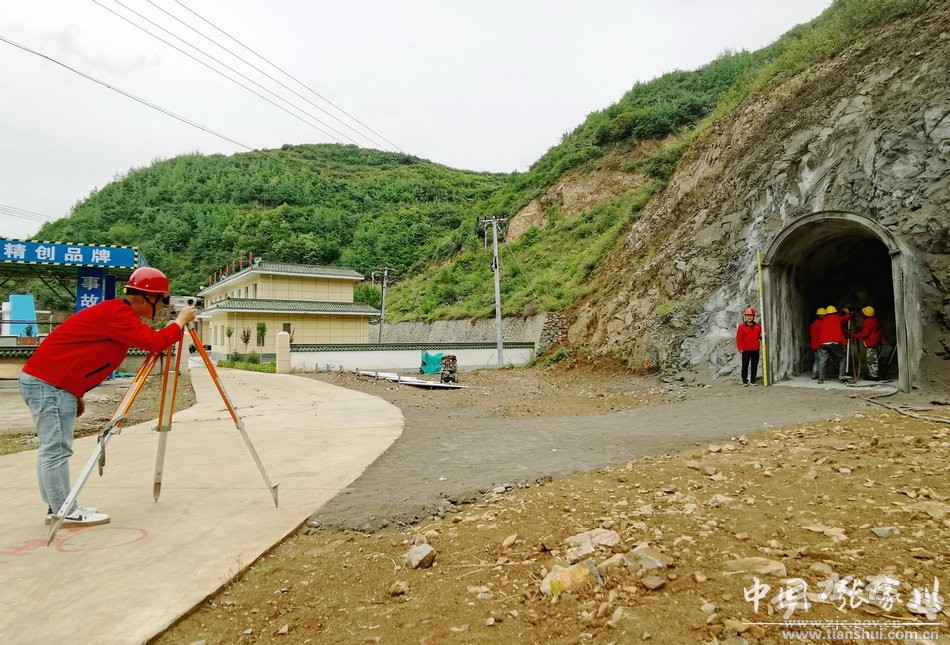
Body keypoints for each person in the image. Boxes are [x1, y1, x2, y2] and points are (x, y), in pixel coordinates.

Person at [19, 267, 197, 527]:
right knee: (56, 450)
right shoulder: (117, 314)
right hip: (50, 384)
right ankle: (63, 510)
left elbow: (78, 356)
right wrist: (180, 321)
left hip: (54, 384)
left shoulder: (116, 313)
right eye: (162, 300)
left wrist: (74, 393)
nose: (161, 307)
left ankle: (58, 506)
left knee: (52, 450)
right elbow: (155, 343)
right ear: (148, 297)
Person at [816, 305, 849, 384]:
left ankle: (820, 379)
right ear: (835, 312)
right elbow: (846, 318)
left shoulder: (824, 320)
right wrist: (848, 312)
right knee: (842, 357)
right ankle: (841, 376)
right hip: (833, 343)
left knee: (822, 360)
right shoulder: (837, 318)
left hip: (822, 343)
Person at [853, 306, 883, 380]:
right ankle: (872, 374)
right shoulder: (874, 320)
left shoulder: (868, 322)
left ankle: (874, 376)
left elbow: (864, 334)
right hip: (876, 343)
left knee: (871, 360)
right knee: (873, 359)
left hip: (871, 344)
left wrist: (853, 336)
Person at [736, 307, 762, 387]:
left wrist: (763, 336)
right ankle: (744, 381)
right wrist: (740, 348)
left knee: (754, 366)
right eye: (747, 316)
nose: (749, 317)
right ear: (745, 316)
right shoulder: (741, 327)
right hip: (746, 350)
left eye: (750, 316)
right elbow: (739, 338)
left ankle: (753, 381)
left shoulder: (758, 326)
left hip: (755, 349)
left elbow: (760, 337)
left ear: (753, 316)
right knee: (745, 366)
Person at [810, 308, 826, 379]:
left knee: (816, 360)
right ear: (821, 315)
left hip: (814, 345)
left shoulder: (813, 324)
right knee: (821, 361)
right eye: (824, 315)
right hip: (820, 345)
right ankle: (820, 375)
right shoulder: (822, 324)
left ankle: (814, 375)